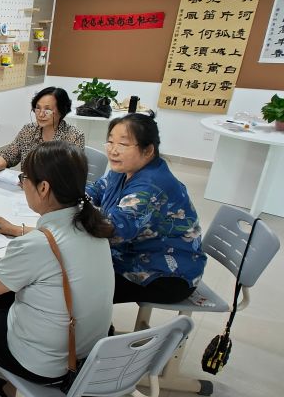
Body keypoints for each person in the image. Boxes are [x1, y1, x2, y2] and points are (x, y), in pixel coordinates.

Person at [0, 142, 114, 397]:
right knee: (5, 297)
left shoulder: (36, 245)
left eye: (24, 178)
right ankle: (11, 390)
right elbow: (59, 241)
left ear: (43, 188)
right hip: (88, 353)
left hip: (49, 365)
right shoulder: (93, 224)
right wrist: (15, 229)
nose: (22, 185)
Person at [87, 112, 205, 304]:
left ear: (148, 150)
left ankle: (90, 321)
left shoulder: (151, 186)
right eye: (110, 142)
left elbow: (112, 231)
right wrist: (72, 197)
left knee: (79, 287)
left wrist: (70, 211)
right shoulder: (124, 169)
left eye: (122, 144)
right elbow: (97, 190)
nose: (113, 150)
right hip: (129, 254)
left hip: (165, 275)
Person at [0, 87, 85, 179]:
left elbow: (69, 175)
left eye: (47, 110)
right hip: (25, 188)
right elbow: (8, 155)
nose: (41, 114)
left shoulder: (74, 136)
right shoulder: (29, 130)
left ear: (61, 111)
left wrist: (32, 183)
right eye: (38, 108)